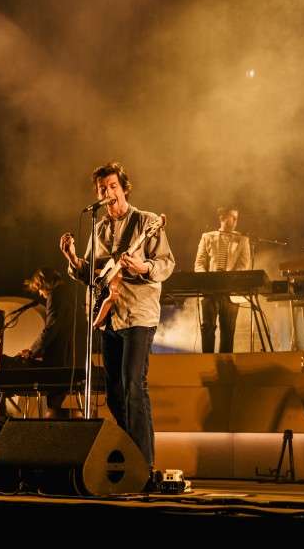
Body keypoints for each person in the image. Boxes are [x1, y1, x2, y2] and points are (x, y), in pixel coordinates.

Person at [59, 161, 174, 490]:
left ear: (124, 188)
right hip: (107, 316)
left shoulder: (147, 222)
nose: (107, 193)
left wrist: (142, 266)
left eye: (112, 187)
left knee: (133, 385)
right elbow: (92, 275)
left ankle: (145, 466)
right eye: (102, 189)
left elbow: (166, 264)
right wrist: (72, 258)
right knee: (113, 394)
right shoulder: (98, 229)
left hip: (138, 315)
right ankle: (129, 457)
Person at [13, 265, 87, 417]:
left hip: (61, 360)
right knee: (54, 401)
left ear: (44, 284)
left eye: (39, 289)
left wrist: (32, 351)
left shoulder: (56, 296)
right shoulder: (68, 293)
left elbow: (51, 329)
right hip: (75, 357)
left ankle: (50, 427)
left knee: (51, 402)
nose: (40, 294)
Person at [194, 205, 251, 353]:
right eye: (232, 218)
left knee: (228, 331)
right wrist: (206, 281)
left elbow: (243, 266)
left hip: (231, 292)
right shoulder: (207, 237)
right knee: (208, 327)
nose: (235, 221)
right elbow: (199, 264)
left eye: (237, 218)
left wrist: (228, 281)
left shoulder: (242, 240)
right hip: (210, 290)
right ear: (222, 218)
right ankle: (207, 360)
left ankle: (225, 363)